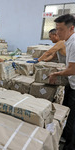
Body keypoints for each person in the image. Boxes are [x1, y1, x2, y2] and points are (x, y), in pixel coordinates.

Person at [49, 14, 75, 150]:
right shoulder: (68, 41)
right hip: (71, 84)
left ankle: (70, 146)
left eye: (60, 29)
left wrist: (56, 74)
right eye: (56, 29)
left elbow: (72, 69)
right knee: (68, 112)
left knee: (73, 119)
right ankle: (64, 135)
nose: (57, 32)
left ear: (71, 28)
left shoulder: (74, 42)